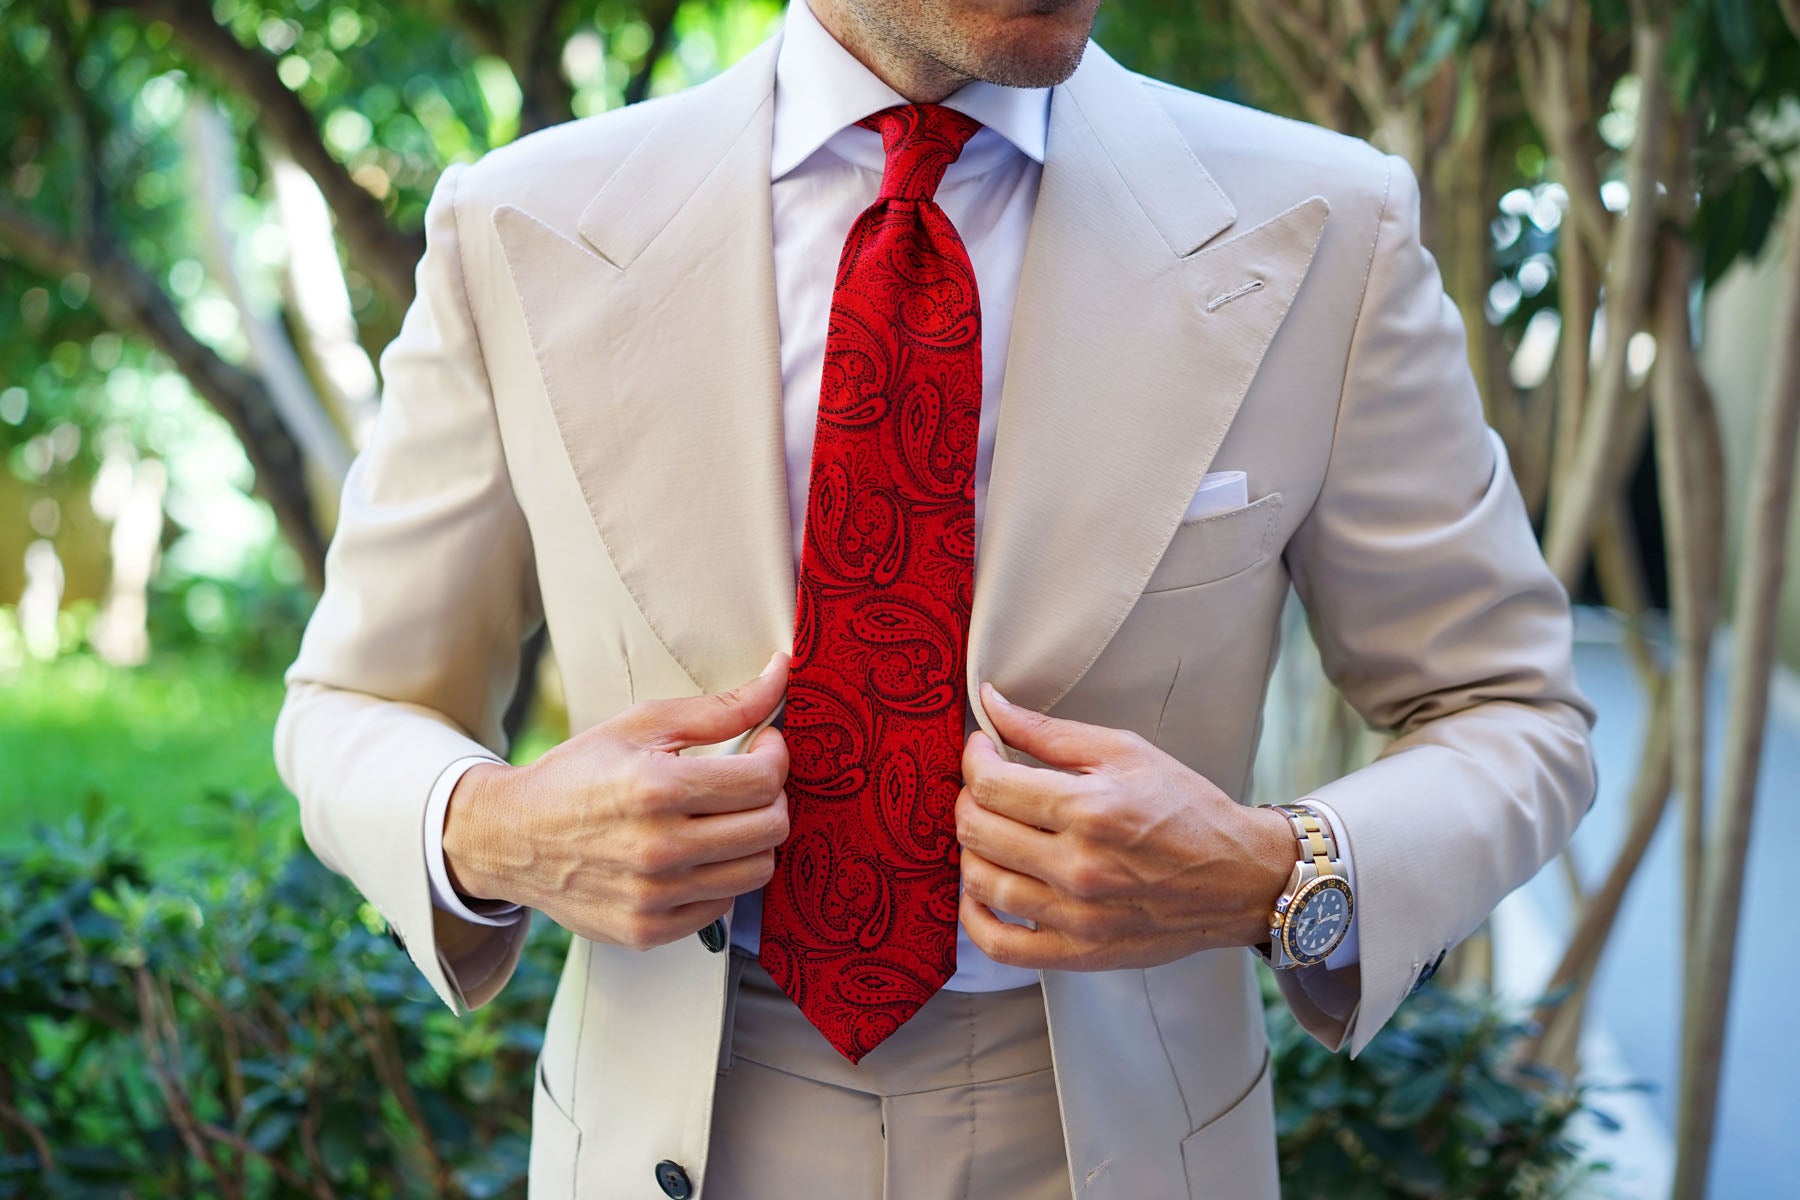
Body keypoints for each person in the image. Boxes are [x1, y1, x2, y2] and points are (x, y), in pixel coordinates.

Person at [274, 0, 1597, 1195]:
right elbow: (352, 704)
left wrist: (1270, 873)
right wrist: (496, 831)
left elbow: (1515, 715)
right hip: (674, 1124)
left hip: (1121, 1145)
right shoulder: (520, 226)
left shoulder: (1326, 231)